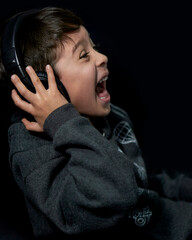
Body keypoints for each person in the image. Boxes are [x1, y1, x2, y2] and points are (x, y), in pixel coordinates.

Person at [1, 6, 192, 240]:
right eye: (84, 55)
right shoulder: (33, 151)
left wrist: (183, 187)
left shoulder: (112, 117)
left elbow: (140, 179)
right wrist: (62, 120)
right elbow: (116, 194)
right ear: (41, 86)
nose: (103, 57)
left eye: (95, 47)